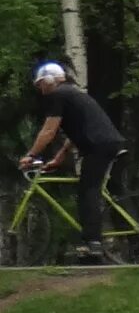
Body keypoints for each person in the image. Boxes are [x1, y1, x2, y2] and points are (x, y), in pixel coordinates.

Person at [21, 62, 127, 262]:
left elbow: (49, 131)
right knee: (95, 189)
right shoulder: (71, 94)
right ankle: (120, 239)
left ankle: (93, 244)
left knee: (88, 190)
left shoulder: (58, 95)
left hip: (99, 146)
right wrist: (60, 156)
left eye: (41, 83)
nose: (40, 89)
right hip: (104, 143)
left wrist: (31, 155)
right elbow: (78, 129)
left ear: (51, 80)